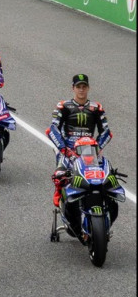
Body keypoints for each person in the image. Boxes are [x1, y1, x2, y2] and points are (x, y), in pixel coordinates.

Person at [47, 74, 112, 208]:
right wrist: (64, 149)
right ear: (73, 88)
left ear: (88, 88)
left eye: (84, 86)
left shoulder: (97, 107)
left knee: (106, 175)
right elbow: (52, 129)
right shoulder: (63, 106)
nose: (81, 89)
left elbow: (106, 132)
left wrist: (98, 148)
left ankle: (105, 202)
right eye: (78, 87)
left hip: (89, 150)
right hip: (68, 148)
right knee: (60, 175)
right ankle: (59, 192)